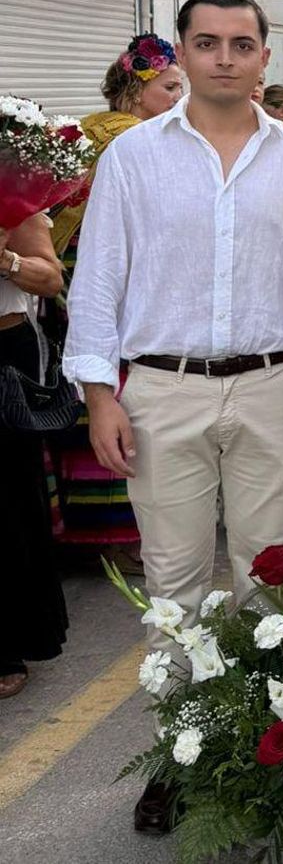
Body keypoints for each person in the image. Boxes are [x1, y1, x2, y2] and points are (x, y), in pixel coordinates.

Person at [62, 0, 283, 832]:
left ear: (263, 56)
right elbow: (100, 275)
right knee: (173, 587)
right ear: (179, 53)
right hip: (162, 390)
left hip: (271, 386)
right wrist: (101, 393)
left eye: (241, 44)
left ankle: (267, 753)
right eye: (207, 42)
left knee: (269, 579)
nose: (225, 57)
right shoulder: (134, 156)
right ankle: (181, 753)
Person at [46, 34, 184, 567]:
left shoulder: (83, 131)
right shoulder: (139, 139)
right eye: (170, 87)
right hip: (120, 280)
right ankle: (122, 536)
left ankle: (90, 532)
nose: (176, 98)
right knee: (124, 401)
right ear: (138, 88)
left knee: (91, 403)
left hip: (73, 275)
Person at [0, 214, 67, 701]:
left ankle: (6, 644)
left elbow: (49, 278)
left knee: (5, 501)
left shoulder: (9, 181)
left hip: (3, 351)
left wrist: (4, 258)